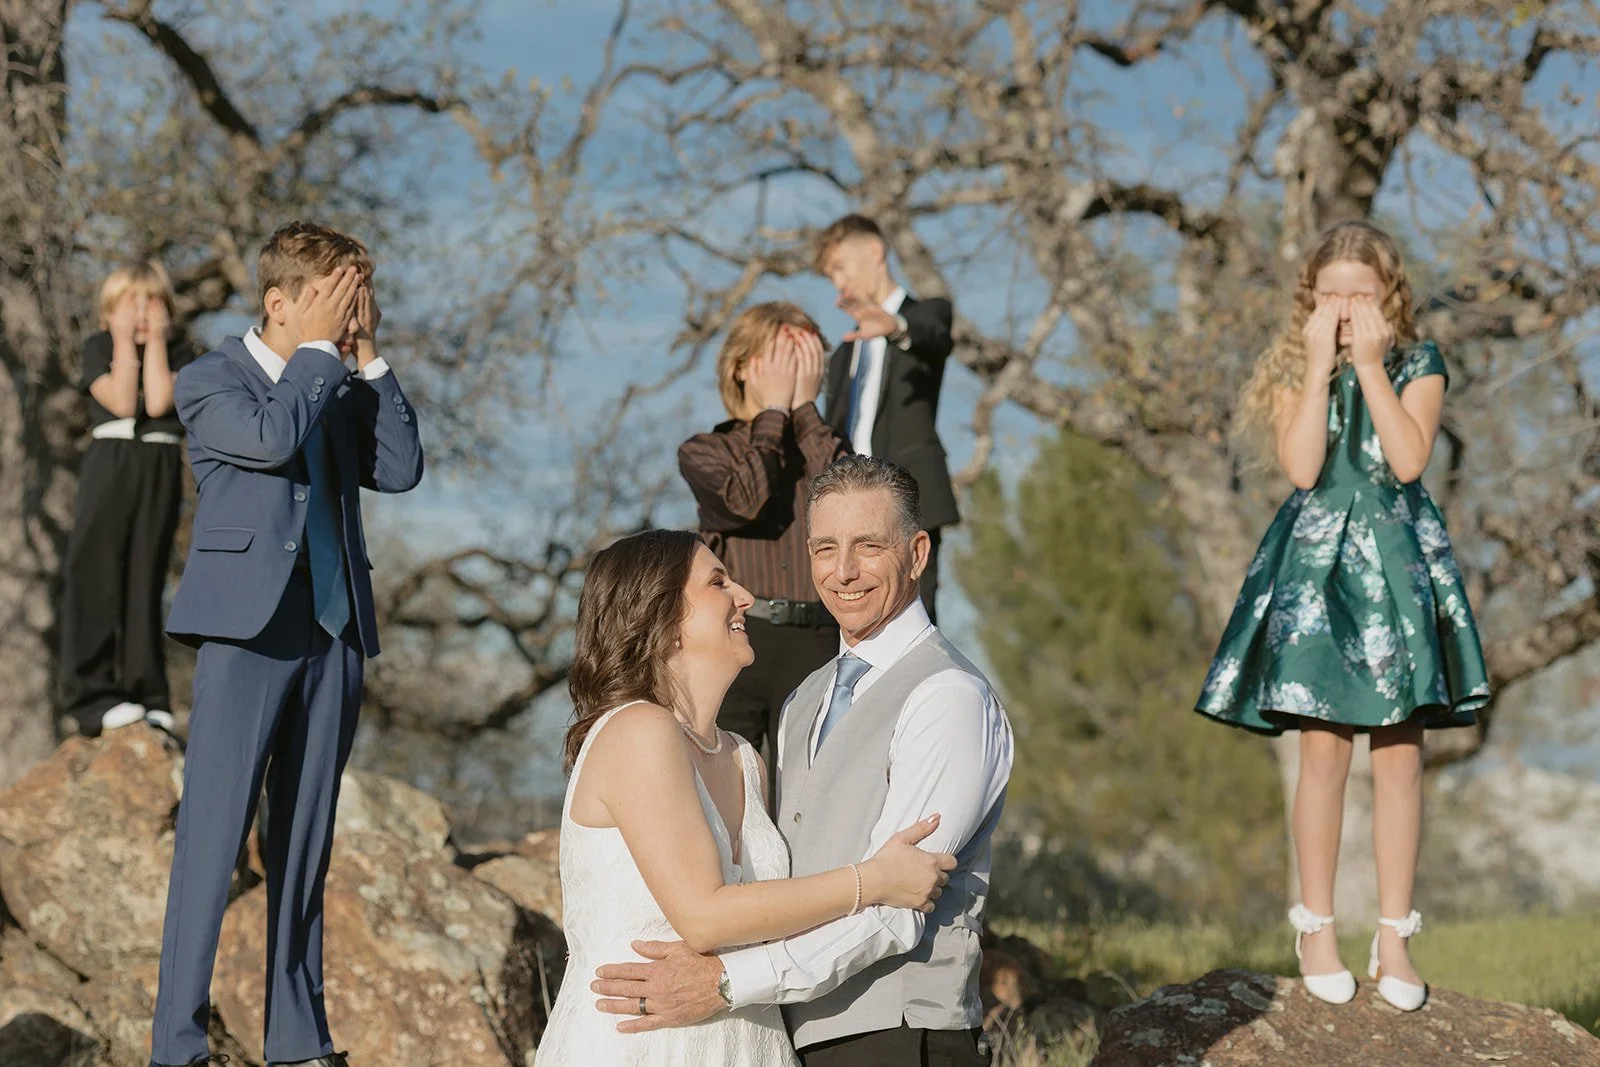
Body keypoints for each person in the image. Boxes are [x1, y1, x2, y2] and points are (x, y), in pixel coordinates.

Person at [590, 456, 1014, 1067]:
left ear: (917, 554)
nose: (843, 572)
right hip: (785, 1035)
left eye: (868, 546)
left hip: (897, 1036)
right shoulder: (802, 702)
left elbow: (897, 913)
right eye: (824, 548)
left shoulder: (948, 697)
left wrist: (729, 982)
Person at [1195, 220, 1490, 1012]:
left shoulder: (1419, 362)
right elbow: (1301, 468)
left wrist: (1369, 367)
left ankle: (1395, 934)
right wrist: (1325, 365)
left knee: (1399, 756)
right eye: (1330, 294)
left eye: (1359, 291)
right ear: (1310, 300)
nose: (1345, 305)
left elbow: (1407, 459)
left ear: (1387, 293)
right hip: (1319, 566)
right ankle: (1315, 926)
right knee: (1321, 752)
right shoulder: (1303, 365)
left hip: (1393, 566)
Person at [148, 221, 425, 1067]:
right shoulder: (209, 378)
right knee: (214, 840)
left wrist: (367, 355)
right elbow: (268, 440)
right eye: (334, 295)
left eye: (357, 297)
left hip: (335, 633)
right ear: (279, 300)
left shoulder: (338, 380)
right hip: (245, 635)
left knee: (305, 843)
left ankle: (300, 1040)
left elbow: (402, 467)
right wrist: (318, 355)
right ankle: (177, 1047)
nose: (346, 311)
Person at [534, 527, 957, 1066]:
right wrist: (874, 880)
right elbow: (704, 916)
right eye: (717, 582)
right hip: (642, 1044)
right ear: (662, 620)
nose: (746, 596)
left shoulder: (744, 760)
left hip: (750, 1040)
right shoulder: (637, 730)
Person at [678, 303, 849, 764]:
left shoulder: (825, 446)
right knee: (730, 789)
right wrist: (774, 409)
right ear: (740, 367)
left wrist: (807, 411)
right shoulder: (707, 450)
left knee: (816, 791)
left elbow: (853, 503)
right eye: (780, 358)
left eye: (806, 358)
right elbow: (743, 501)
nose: (793, 372)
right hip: (738, 636)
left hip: (819, 639)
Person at [59, 261, 199, 737]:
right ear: (108, 311)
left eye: (151, 301)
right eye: (130, 303)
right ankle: (92, 695)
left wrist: (156, 342)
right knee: (97, 573)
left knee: (147, 576)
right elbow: (122, 400)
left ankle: (147, 692)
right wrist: (123, 340)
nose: (141, 313)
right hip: (110, 463)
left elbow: (159, 403)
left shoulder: (181, 350)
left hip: (158, 466)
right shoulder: (98, 347)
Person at [815, 215, 957, 622]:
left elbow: (934, 337)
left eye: (840, 266)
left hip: (911, 501)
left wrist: (895, 327)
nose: (838, 283)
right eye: (830, 276)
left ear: (875, 251)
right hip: (849, 507)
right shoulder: (844, 355)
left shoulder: (927, 315)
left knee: (915, 620)